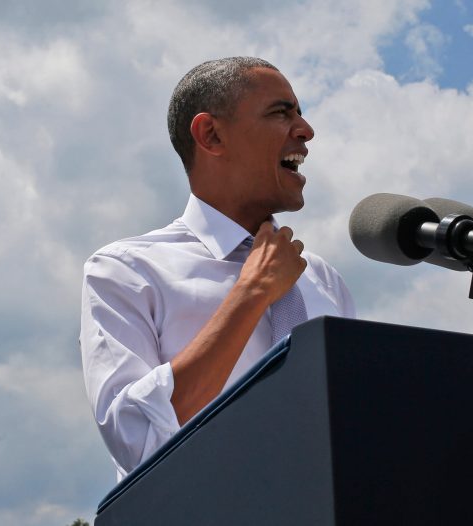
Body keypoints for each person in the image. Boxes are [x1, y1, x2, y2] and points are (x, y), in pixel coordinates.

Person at [79, 57, 355, 480]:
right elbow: (138, 444)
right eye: (282, 112)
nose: (305, 130)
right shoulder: (126, 272)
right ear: (211, 135)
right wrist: (251, 295)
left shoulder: (325, 282)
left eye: (300, 112)